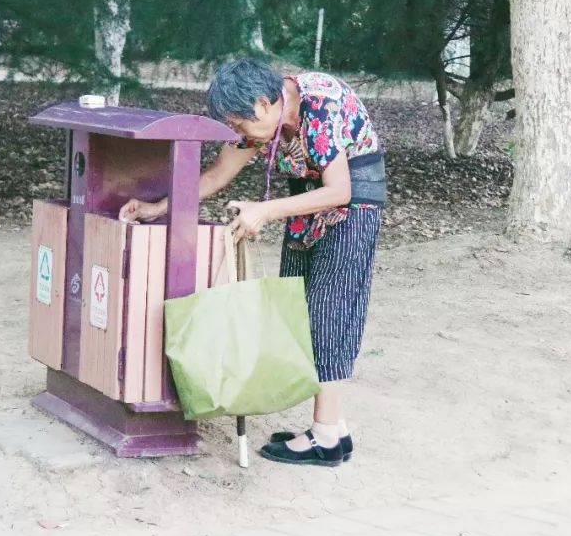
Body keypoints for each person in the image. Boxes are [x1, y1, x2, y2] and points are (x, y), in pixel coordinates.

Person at [119, 59, 386, 467]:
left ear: (264, 104)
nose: (241, 136)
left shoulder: (320, 105)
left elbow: (341, 190)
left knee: (327, 311)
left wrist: (264, 211)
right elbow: (216, 176)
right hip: (306, 199)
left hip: (353, 204)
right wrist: (159, 207)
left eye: (241, 126)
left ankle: (326, 436)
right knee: (297, 308)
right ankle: (336, 427)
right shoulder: (260, 119)